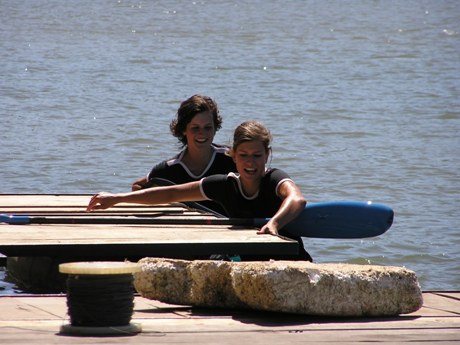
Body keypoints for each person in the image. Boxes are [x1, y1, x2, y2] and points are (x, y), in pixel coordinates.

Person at [88, 120, 312, 261]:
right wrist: (117, 199)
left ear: (267, 154)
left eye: (257, 155)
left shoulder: (274, 178)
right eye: (243, 155)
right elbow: (171, 193)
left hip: (289, 257)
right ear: (233, 155)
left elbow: (296, 199)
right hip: (250, 259)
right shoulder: (223, 184)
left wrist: (274, 223)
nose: (250, 163)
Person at [131, 94, 236, 214]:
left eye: (208, 127)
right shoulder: (170, 168)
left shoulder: (231, 158)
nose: (202, 134)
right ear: (183, 130)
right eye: (195, 128)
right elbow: (137, 187)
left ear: (215, 128)